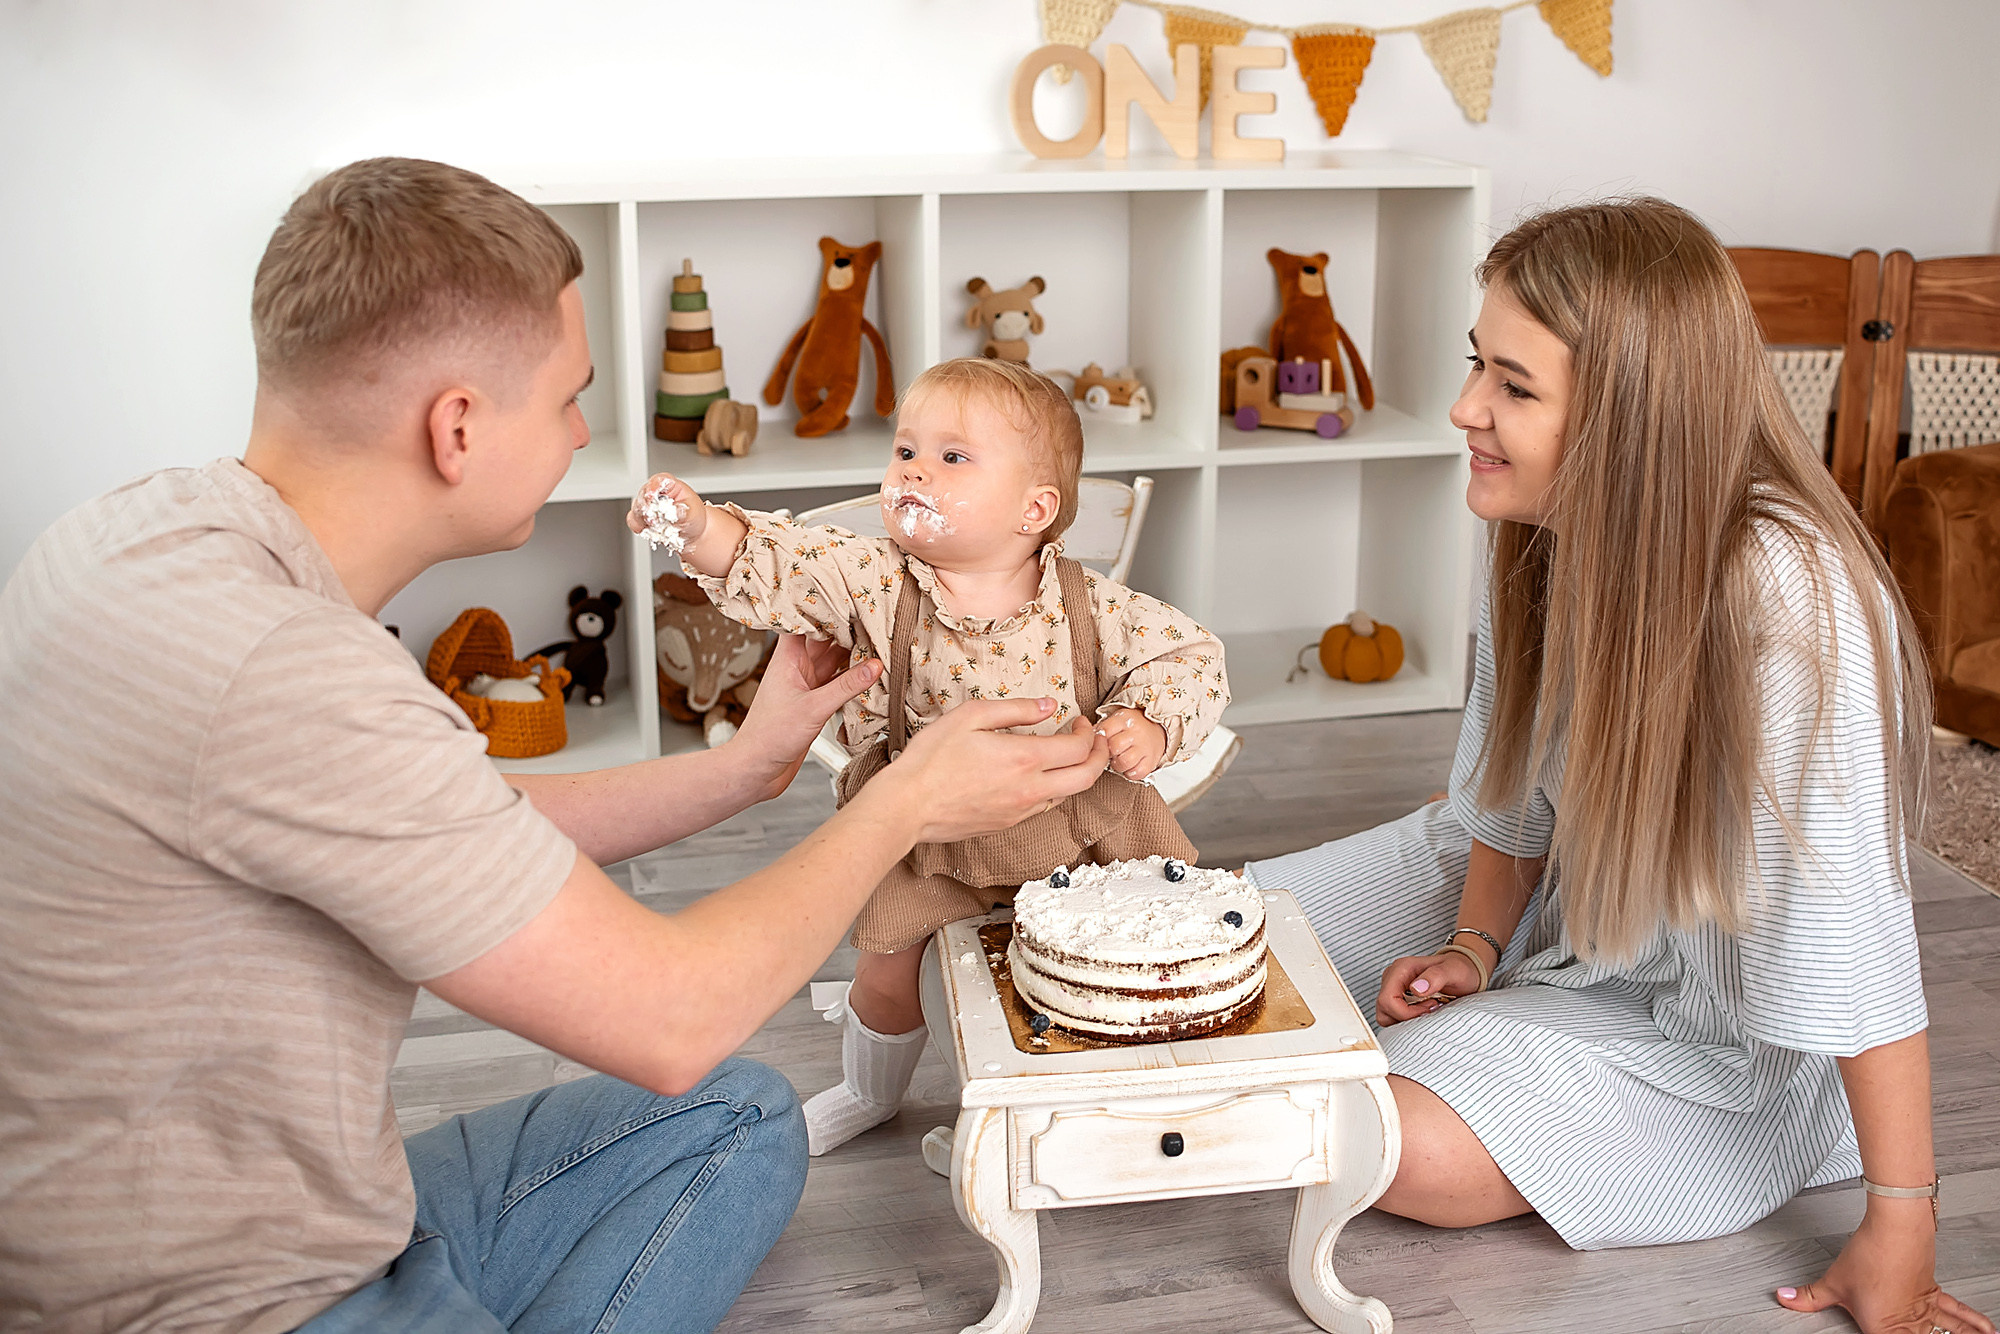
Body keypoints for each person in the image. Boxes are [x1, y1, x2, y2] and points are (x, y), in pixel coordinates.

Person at [0, 158, 1113, 1334]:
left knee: (741, 1115)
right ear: (457, 427)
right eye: (569, 399)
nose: (584, 432)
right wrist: (906, 801)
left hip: (290, 1206)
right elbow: (668, 1021)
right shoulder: (288, 670)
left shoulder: (148, 532)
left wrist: (743, 769)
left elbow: (440, 823)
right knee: (702, 1070)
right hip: (219, 1300)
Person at [1245, 198, 1992, 1334]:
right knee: (1227, 941)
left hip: (1715, 1021)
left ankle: (1747, 1127)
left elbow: (1849, 932)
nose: (1464, 408)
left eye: (1513, 386)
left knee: (1387, 1143)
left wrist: (1902, 1220)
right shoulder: (1535, 520)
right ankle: (1483, 1027)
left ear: (1629, 418)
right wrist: (1474, 945)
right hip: (1564, 899)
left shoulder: (1789, 600)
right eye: (1476, 364)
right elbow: (1507, 783)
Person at [629, 357, 1229, 1156]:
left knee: (1084, 967)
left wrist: (1148, 721)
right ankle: (869, 1092)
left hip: (1074, 824)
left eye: (951, 457)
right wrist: (702, 528)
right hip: (925, 829)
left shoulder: (1092, 603)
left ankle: (1070, 1103)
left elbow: (1190, 655)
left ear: (1034, 508)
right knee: (889, 977)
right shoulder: (875, 579)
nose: (913, 470)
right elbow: (781, 562)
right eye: (906, 450)